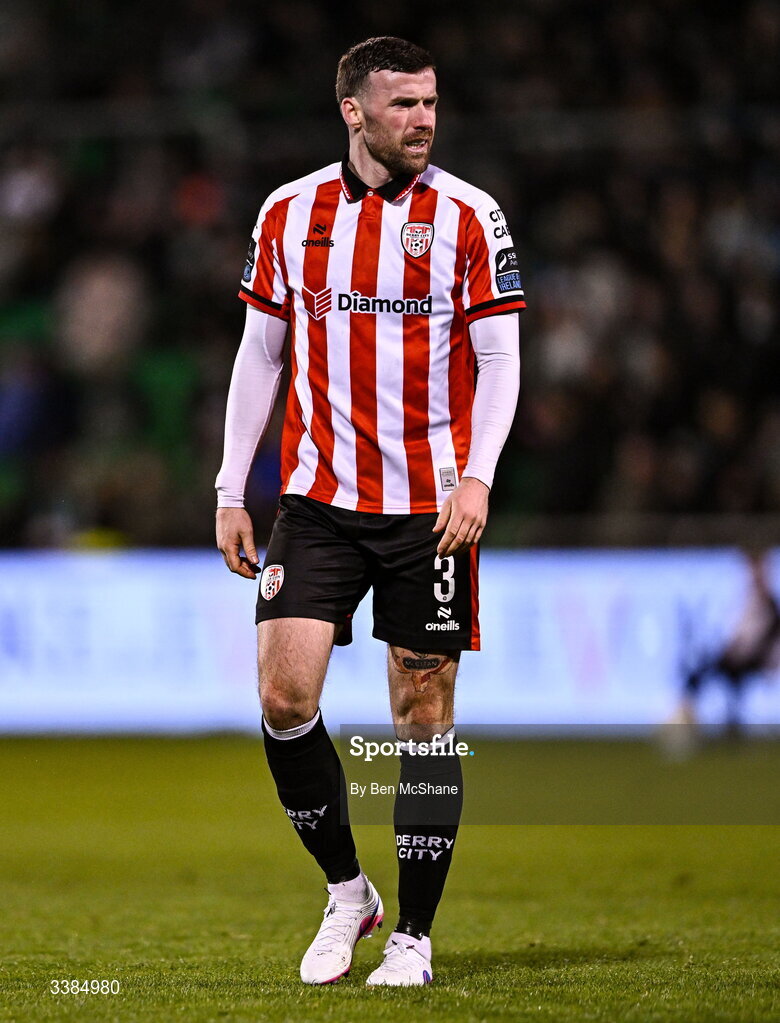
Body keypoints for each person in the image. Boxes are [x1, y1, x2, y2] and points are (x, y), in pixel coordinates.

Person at [215, 36, 524, 987]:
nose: (423, 119)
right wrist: (231, 485)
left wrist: (478, 478)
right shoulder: (289, 212)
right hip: (316, 500)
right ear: (353, 110)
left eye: (431, 102)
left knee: (421, 714)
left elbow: (501, 360)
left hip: (432, 509)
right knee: (283, 697)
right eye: (403, 104)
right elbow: (262, 352)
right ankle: (348, 889)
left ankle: (413, 937)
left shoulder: (470, 215)